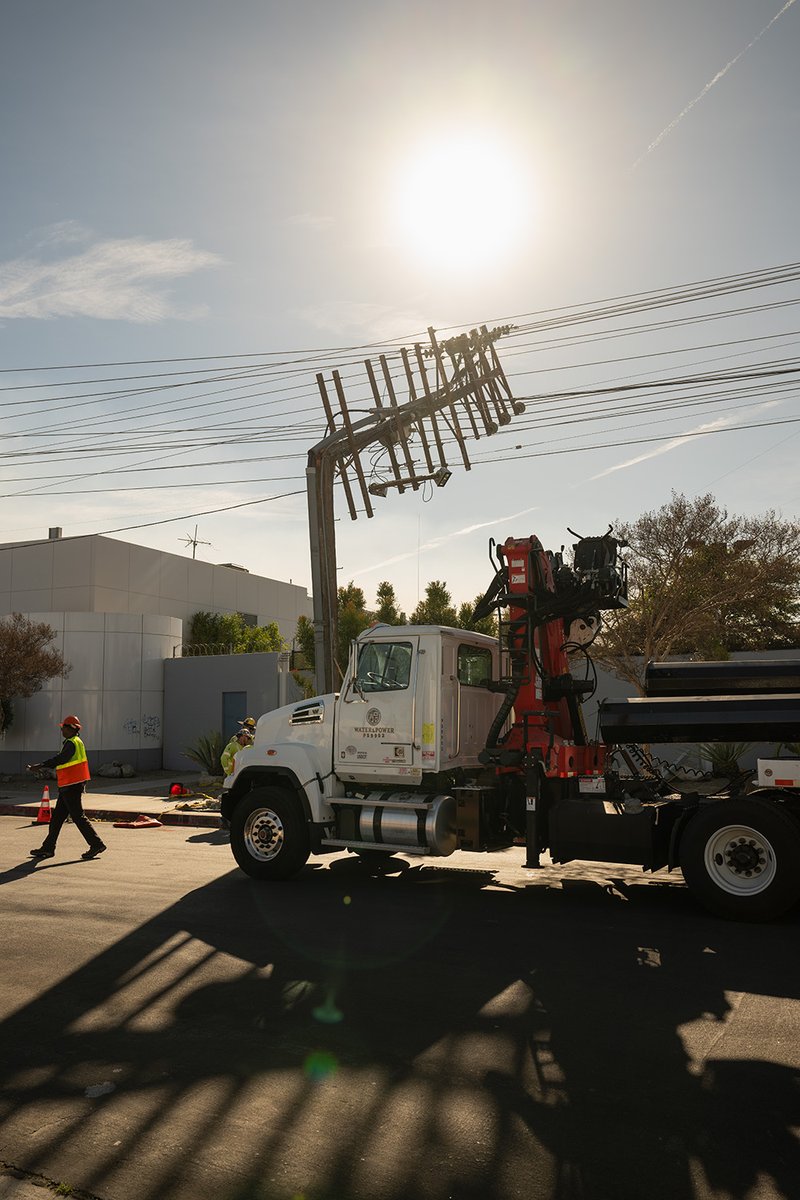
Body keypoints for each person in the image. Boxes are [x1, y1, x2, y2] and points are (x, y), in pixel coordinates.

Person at [27, 716, 107, 861]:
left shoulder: (72, 743)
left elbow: (60, 760)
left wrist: (40, 765)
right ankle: (48, 848)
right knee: (57, 819)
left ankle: (96, 844)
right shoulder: (74, 742)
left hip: (72, 786)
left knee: (78, 817)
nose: (62, 730)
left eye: (64, 727)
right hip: (68, 785)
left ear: (71, 728)